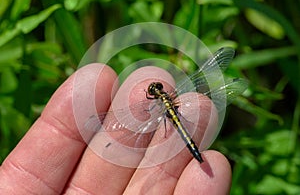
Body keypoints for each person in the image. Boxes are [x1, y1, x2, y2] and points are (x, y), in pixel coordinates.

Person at [0, 63, 231, 194]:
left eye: (154, 89)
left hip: (168, 117)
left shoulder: (154, 103)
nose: (153, 89)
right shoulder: (168, 98)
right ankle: (195, 151)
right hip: (175, 115)